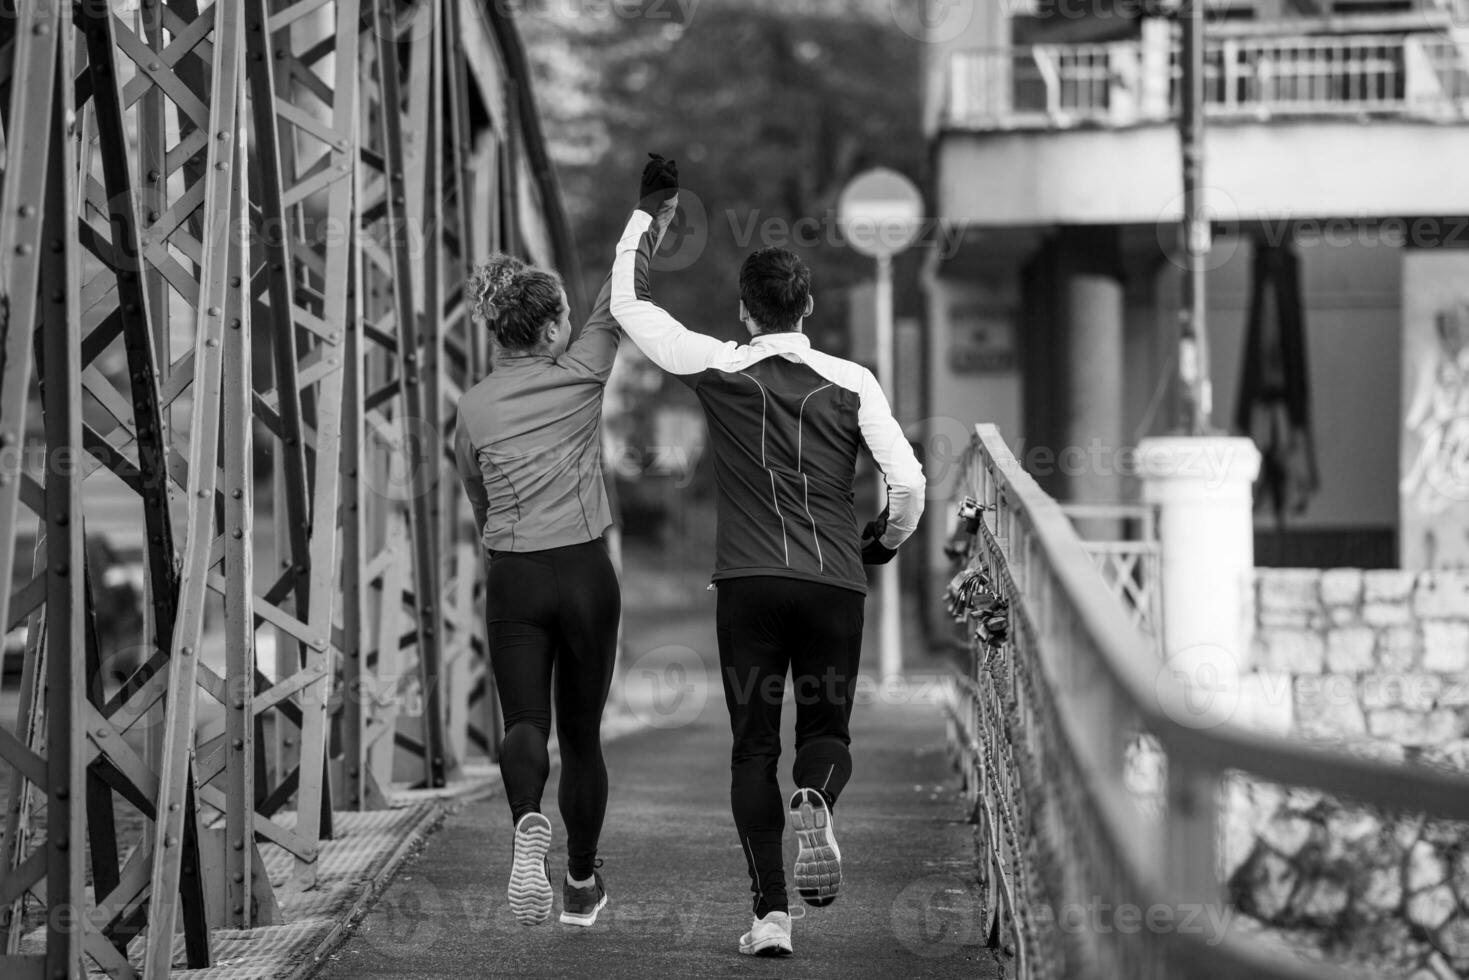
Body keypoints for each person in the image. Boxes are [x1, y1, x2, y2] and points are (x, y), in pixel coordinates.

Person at [609, 156, 926, 957]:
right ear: (808, 306)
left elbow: (629, 305)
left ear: (746, 313)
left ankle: (770, 918)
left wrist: (652, 211)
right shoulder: (852, 380)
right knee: (827, 733)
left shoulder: (718, 365)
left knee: (752, 746)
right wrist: (882, 543)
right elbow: (908, 482)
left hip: (747, 585)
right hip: (831, 583)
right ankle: (815, 796)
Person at [453, 169, 677, 928]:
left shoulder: (473, 409)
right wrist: (650, 207)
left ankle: (525, 822)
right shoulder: (581, 371)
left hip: (514, 574)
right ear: (551, 328)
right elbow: (625, 291)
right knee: (582, 739)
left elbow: (474, 496)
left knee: (525, 724)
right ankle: (580, 878)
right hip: (584, 571)